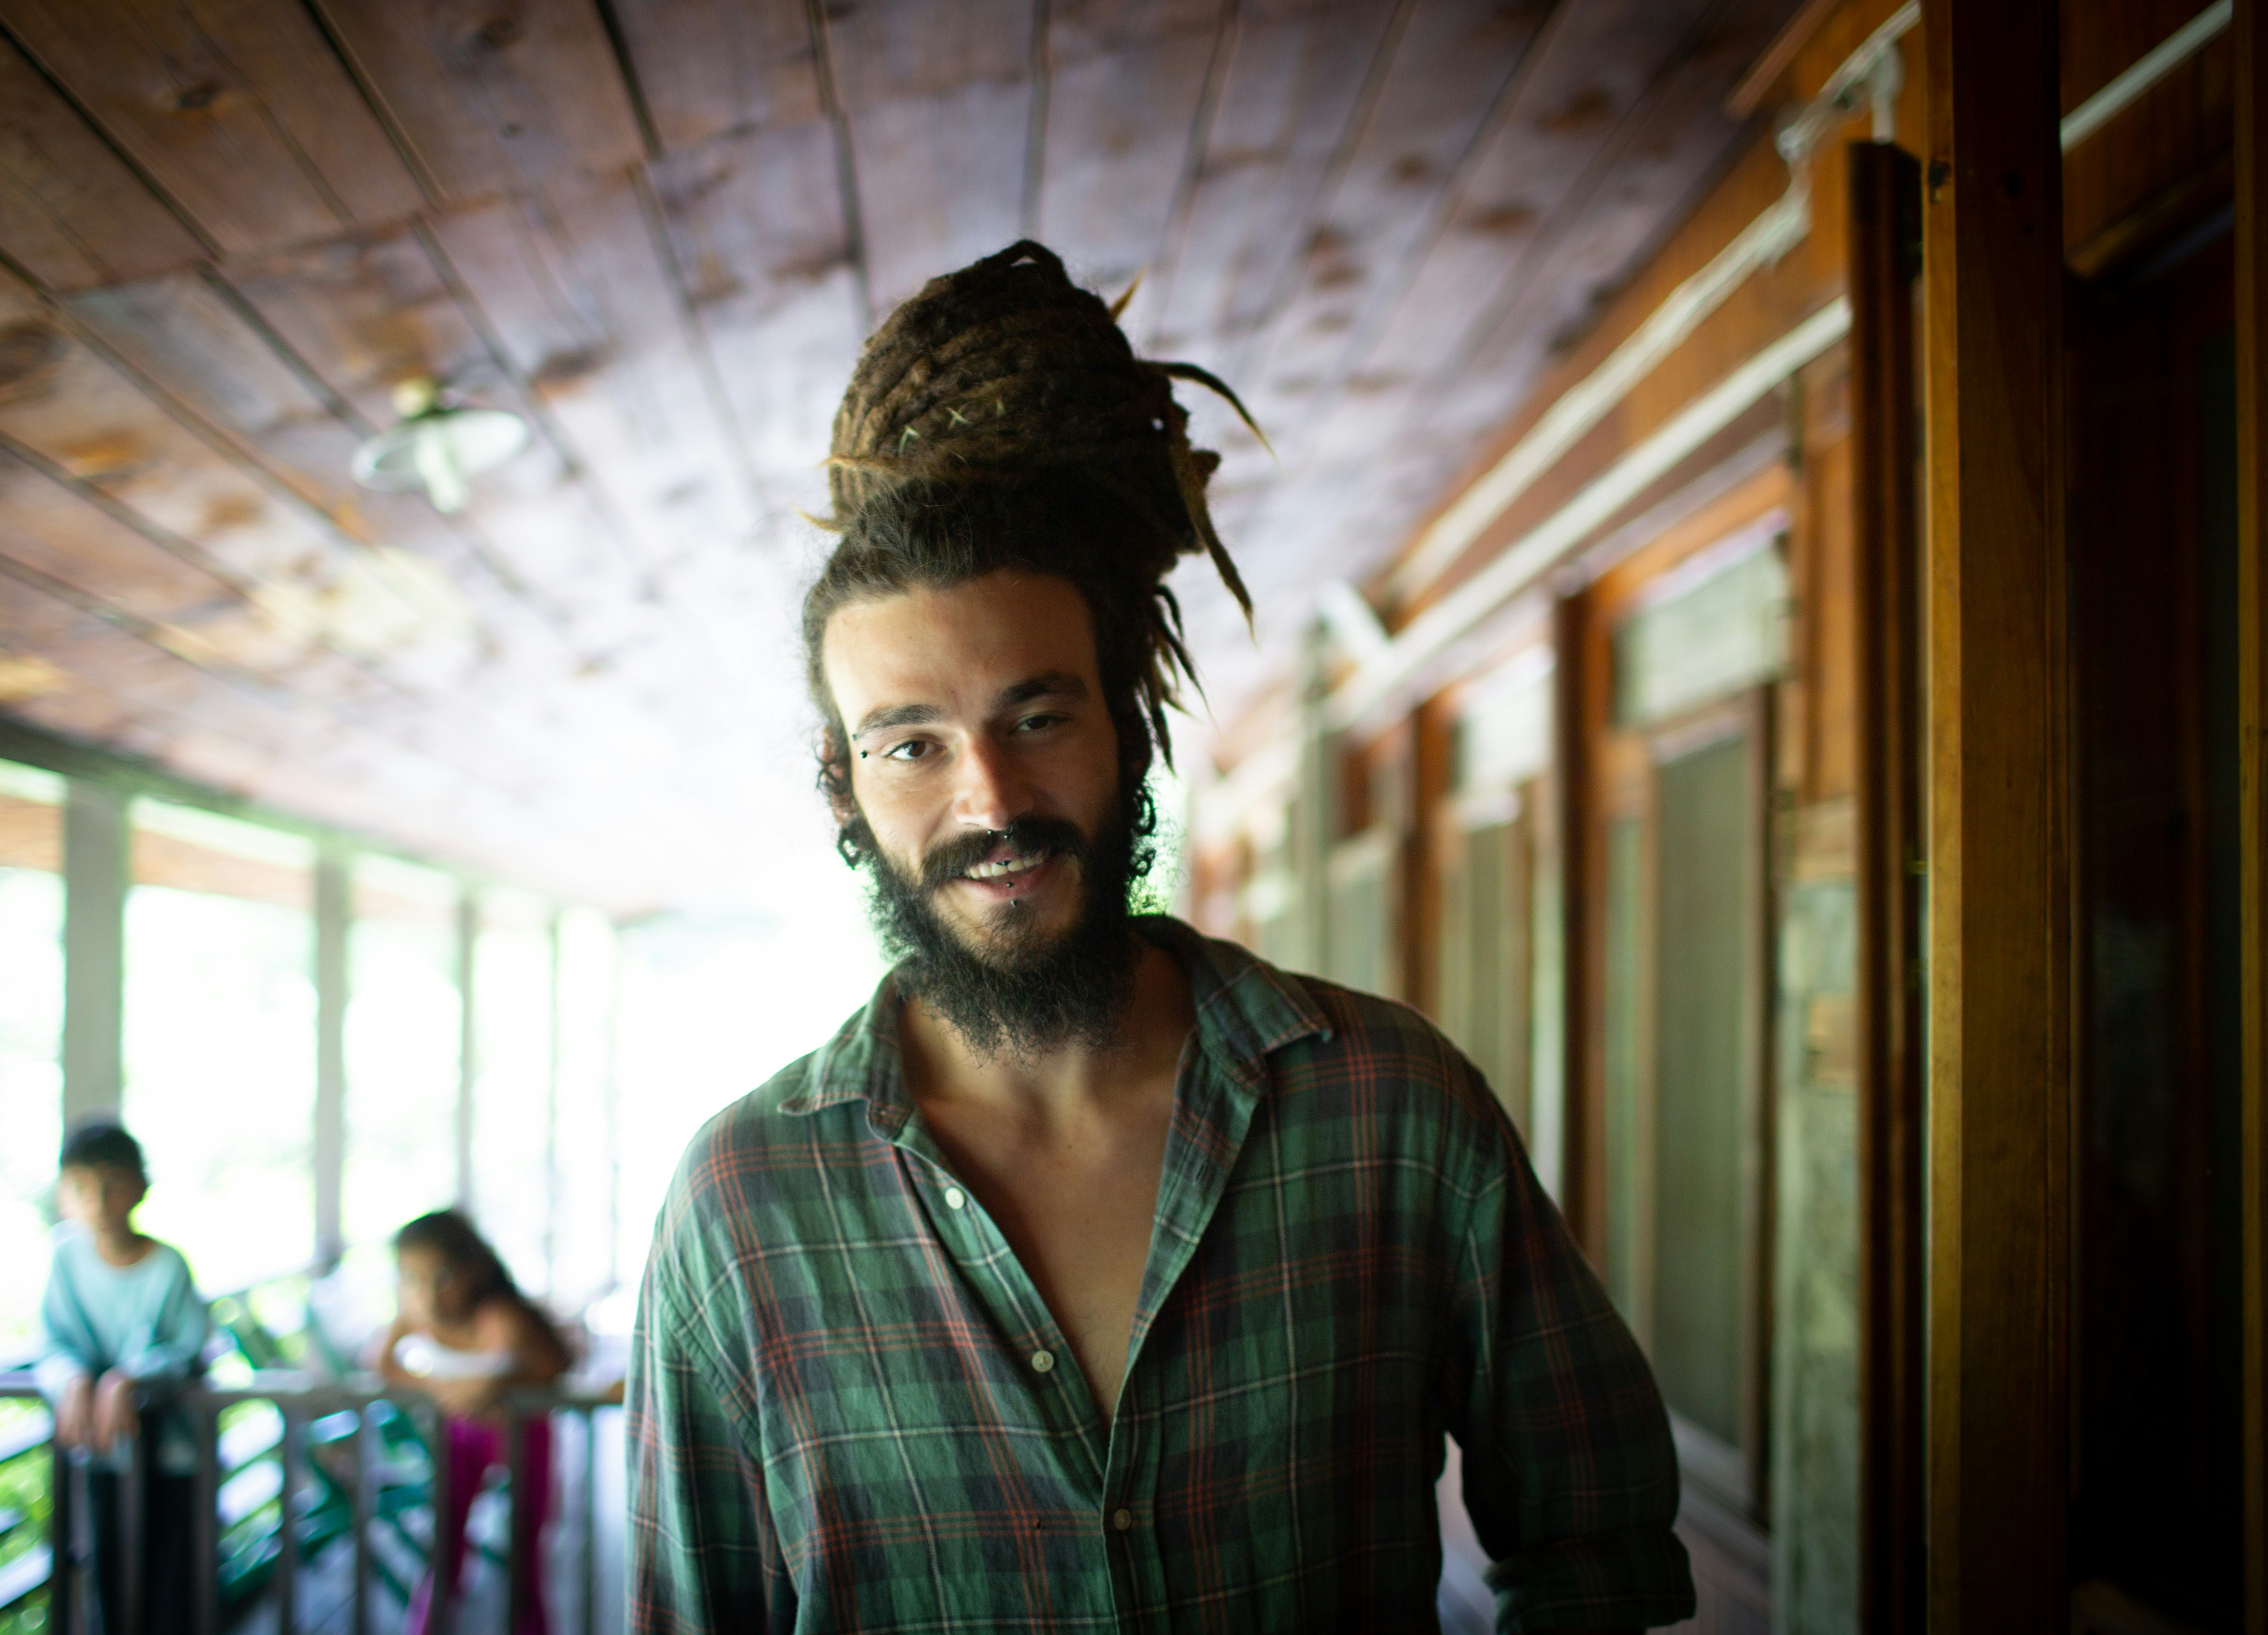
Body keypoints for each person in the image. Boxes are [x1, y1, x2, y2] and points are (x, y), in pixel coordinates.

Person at [625, 241, 1698, 1632]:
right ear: (845, 787)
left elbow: (1596, 1550)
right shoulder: (742, 1212)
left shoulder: (1394, 1106)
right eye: (911, 745)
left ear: (1129, 729)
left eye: (1040, 716)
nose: (993, 801)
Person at [37, 1118, 208, 1633]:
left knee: (171, 1580)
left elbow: (190, 1351)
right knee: (106, 1577)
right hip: (98, 1449)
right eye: (83, 1189)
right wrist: (72, 1380)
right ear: (65, 1195)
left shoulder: (169, 1267)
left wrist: (129, 1379)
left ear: (140, 1187)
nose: (99, 1202)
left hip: (172, 1456)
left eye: (113, 1186)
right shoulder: (66, 1259)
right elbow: (53, 1342)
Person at [377, 1210, 571, 1635]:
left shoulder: (500, 1318)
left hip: (524, 1438)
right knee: (444, 1550)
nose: (428, 1294)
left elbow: (553, 1363)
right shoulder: (415, 1318)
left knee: (526, 1559)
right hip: (459, 1438)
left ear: (473, 1271)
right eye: (412, 1279)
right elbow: (385, 1364)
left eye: (442, 1276)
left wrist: (494, 1381)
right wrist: (440, 1388)